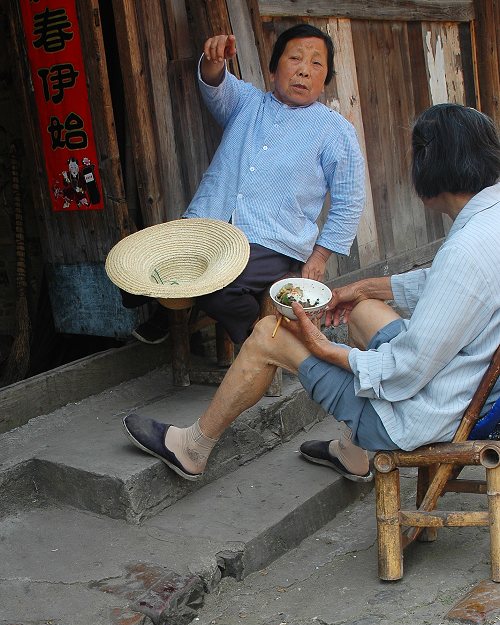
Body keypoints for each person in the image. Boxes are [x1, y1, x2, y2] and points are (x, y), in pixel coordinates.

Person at [122, 103, 500, 484]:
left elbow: (408, 370)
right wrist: (364, 288)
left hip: (420, 416)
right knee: (364, 310)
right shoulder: (491, 219)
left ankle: (193, 448)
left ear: (429, 166)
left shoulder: (464, 251)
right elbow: (447, 285)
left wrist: (328, 349)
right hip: (469, 387)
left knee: (267, 334)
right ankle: (354, 456)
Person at [127, 24, 365, 344]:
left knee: (217, 292)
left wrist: (319, 258)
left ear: (325, 81)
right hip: (206, 225)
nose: (304, 71)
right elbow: (216, 82)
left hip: (271, 243)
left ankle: (260, 337)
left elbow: (350, 201)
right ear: (272, 70)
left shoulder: (336, 132)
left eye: (316, 64)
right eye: (295, 58)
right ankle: (167, 306)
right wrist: (214, 58)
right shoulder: (247, 102)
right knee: (134, 270)